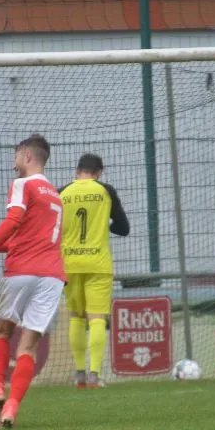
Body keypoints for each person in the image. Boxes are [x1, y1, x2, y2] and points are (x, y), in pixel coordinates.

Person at [0, 133, 65, 430]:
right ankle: (10, 411)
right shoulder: (55, 196)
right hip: (52, 276)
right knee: (28, 348)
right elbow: (22, 239)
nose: (14, 161)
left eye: (17, 154)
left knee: (3, 332)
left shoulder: (22, 184)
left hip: (21, 271)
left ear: (27, 155)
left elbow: (14, 221)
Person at [58, 153, 129, 388]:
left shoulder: (62, 193)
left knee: (76, 317)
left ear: (77, 170)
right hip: (98, 263)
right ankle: (95, 375)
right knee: (97, 318)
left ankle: (79, 374)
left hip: (69, 263)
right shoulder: (105, 191)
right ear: (99, 172)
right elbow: (123, 228)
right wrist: (104, 224)